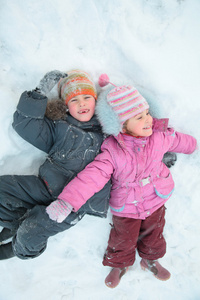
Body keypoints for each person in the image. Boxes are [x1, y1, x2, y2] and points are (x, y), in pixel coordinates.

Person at [46, 74, 197, 288]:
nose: (147, 119)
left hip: (155, 197)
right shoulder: (112, 151)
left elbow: (179, 140)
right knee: (122, 238)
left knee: (154, 232)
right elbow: (91, 177)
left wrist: (194, 145)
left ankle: (150, 259)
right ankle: (119, 264)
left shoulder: (159, 136)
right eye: (139, 117)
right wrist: (66, 202)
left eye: (146, 113)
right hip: (126, 205)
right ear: (122, 126)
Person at [0, 70, 111, 259]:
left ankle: (18, 246)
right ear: (66, 106)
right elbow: (25, 125)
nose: (82, 103)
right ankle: (18, 223)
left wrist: (159, 154)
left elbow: (136, 150)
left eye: (87, 97)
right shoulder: (60, 128)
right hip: (45, 188)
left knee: (31, 232)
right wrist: (38, 94)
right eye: (74, 100)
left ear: (96, 101)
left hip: (73, 205)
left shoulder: (110, 136)